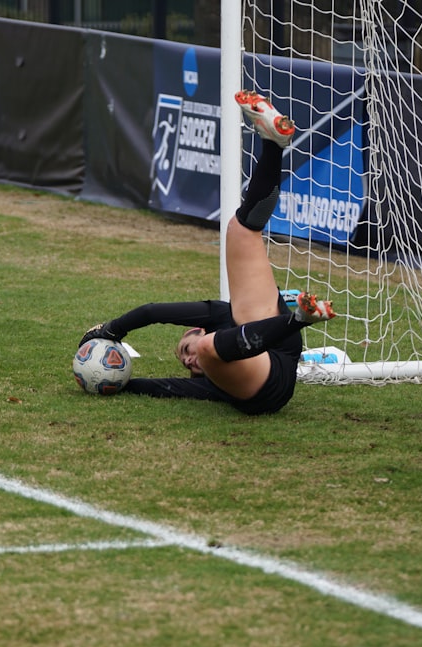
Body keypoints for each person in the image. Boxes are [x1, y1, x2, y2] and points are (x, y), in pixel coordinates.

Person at [79, 90, 336, 415]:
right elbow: (160, 387)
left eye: (184, 351)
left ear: (196, 328)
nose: (187, 360)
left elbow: (152, 312)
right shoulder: (212, 381)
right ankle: (298, 319)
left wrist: (111, 330)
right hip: (268, 385)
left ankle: (273, 143)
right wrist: (111, 381)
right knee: (210, 349)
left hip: (273, 340)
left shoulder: (216, 317)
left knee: (241, 230)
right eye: (187, 361)